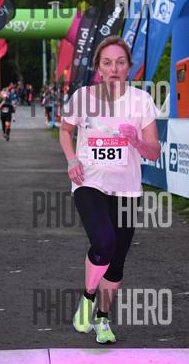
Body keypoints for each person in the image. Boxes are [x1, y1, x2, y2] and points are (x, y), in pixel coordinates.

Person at [59, 36, 161, 344]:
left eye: (120, 62)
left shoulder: (141, 101)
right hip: (89, 182)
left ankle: (102, 319)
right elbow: (65, 130)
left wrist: (136, 141)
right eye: (107, 63)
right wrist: (72, 159)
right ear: (99, 68)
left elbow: (154, 151)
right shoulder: (82, 97)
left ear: (129, 67)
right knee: (103, 242)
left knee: (116, 262)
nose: (114, 68)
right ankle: (88, 297)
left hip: (127, 190)